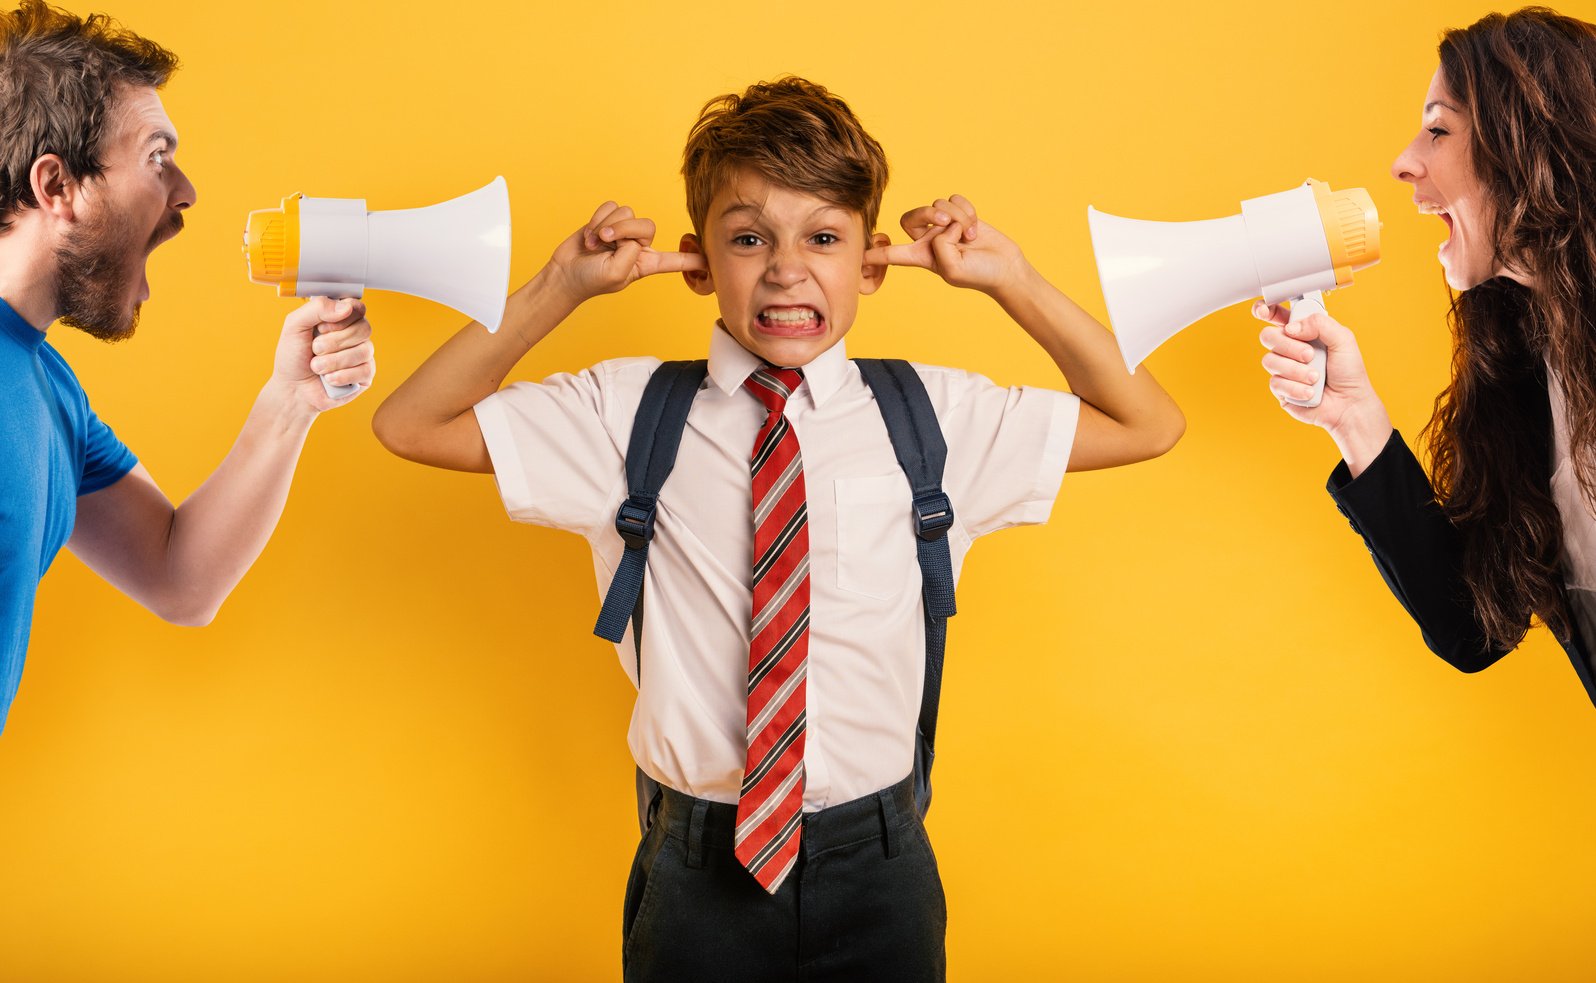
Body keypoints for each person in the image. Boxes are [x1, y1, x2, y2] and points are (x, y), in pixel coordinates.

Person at [374, 77, 1183, 981]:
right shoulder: (625, 410)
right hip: (698, 867)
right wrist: (556, 289)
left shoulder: (934, 415)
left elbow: (1146, 423)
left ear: (872, 265)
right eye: (749, 237)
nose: (788, 268)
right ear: (698, 260)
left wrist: (1012, 281)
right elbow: (411, 425)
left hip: (879, 859)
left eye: (826, 238)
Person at [0, 1, 376, 733]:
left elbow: (180, 577)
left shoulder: (49, 394)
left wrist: (290, 400)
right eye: (155, 158)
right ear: (58, 188)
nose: (186, 193)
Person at [1258, 7, 1596, 708]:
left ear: (1529, 147)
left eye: (1439, 129)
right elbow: (1472, 627)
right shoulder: (1535, 368)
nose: (1404, 162)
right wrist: (1357, 421)